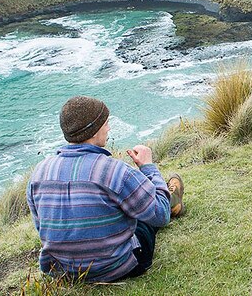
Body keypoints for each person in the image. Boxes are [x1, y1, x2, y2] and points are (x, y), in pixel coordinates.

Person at [27, 96, 185, 282]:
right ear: (94, 130)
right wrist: (148, 167)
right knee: (143, 214)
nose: (109, 128)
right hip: (117, 267)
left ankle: (167, 197)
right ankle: (170, 198)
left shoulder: (38, 172)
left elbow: (41, 227)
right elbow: (160, 216)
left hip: (63, 272)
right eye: (106, 123)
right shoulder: (114, 170)